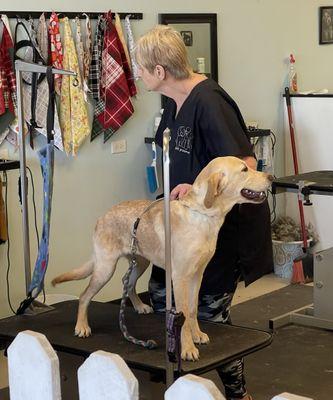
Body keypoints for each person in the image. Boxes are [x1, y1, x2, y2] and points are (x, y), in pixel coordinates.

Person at [135, 25, 273, 400]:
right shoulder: (172, 102)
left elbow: (244, 165)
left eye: (142, 69)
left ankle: (236, 392)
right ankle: (180, 380)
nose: (139, 74)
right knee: (163, 298)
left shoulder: (210, 101)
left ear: (159, 71)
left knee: (211, 317)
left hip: (218, 233)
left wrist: (198, 189)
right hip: (180, 229)